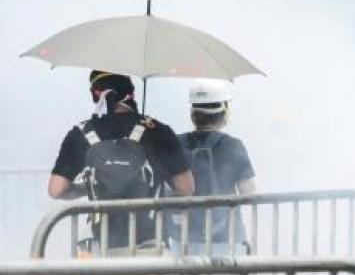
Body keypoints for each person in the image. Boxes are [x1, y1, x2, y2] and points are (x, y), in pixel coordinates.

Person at [49, 71, 194, 254]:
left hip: (103, 245)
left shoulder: (81, 133)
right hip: (150, 243)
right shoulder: (157, 130)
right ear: (131, 93)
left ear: (96, 94)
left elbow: (56, 189)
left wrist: (90, 187)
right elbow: (186, 188)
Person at [176, 80, 256, 254]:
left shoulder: (176, 143)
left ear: (193, 114)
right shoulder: (233, 145)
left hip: (182, 239)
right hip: (226, 239)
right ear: (224, 113)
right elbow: (249, 193)